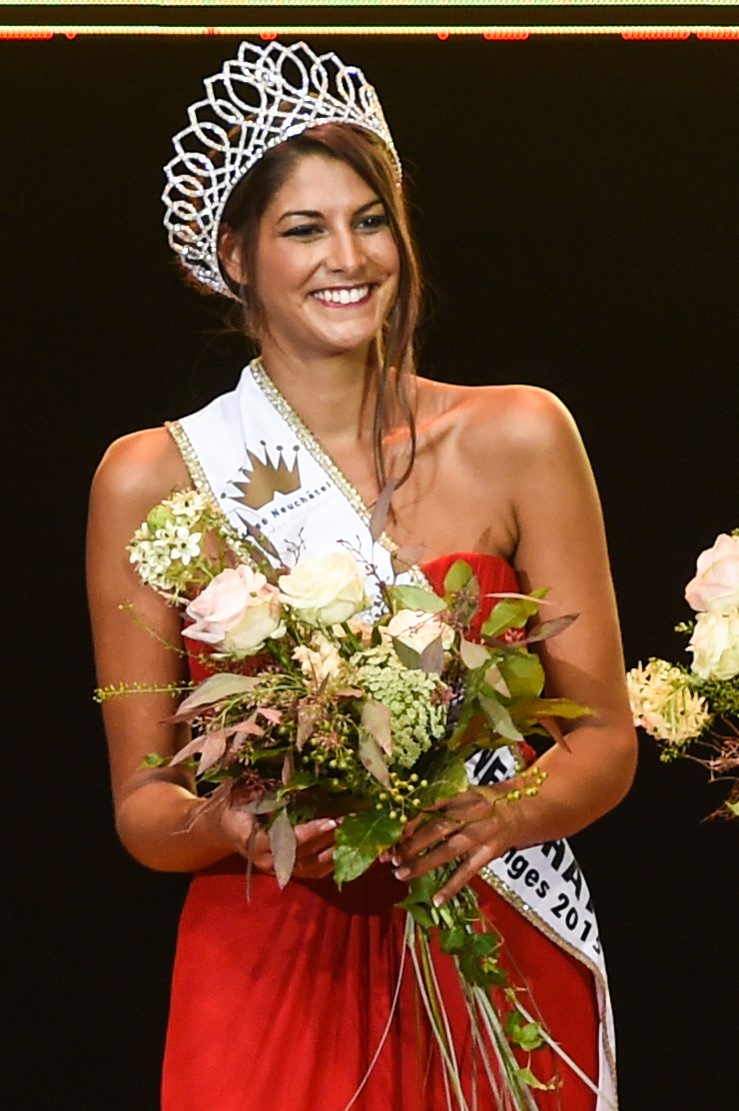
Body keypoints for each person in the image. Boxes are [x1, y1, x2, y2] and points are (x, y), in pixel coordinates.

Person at [87, 40, 637, 1111]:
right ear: (235, 254)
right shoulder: (152, 476)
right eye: (304, 228)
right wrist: (236, 825)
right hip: (269, 956)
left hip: (492, 932)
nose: (350, 255)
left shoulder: (519, 434)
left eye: (370, 218)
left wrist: (501, 816)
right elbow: (144, 800)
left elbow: (605, 740)